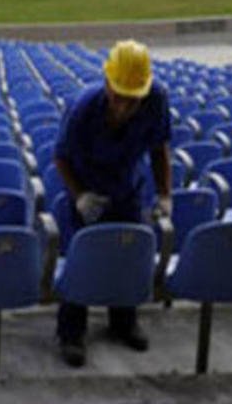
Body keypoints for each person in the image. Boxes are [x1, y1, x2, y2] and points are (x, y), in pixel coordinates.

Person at [53, 39, 172, 368]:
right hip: (87, 186)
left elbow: (160, 148)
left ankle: (123, 321)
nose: (123, 107)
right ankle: (71, 332)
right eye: (118, 97)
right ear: (107, 83)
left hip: (126, 188)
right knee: (82, 257)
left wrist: (164, 193)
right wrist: (80, 196)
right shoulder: (83, 107)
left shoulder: (156, 100)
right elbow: (61, 157)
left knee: (125, 255)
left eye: (132, 101)